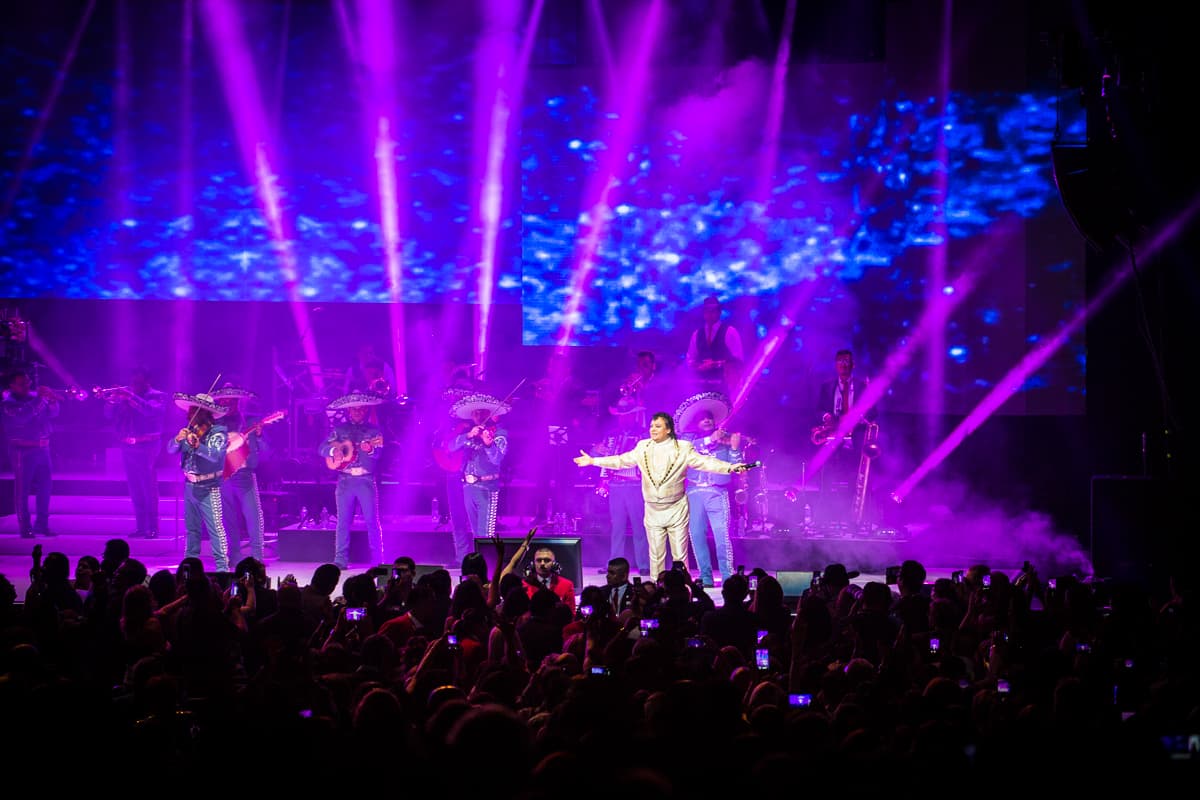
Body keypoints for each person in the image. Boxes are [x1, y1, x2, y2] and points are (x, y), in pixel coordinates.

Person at [573, 411, 753, 581]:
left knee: (679, 556)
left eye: (658, 426)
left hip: (676, 507)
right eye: (652, 425)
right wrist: (592, 461)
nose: (652, 429)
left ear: (668, 429)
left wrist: (730, 467)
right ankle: (655, 587)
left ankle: (683, 587)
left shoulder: (683, 447)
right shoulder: (643, 447)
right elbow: (620, 460)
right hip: (653, 508)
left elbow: (705, 462)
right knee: (656, 554)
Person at [676, 392, 744, 588]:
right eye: (702, 418)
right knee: (696, 535)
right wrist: (710, 439)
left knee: (722, 536)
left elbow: (736, 467)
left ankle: (727, 577)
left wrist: (734, 448)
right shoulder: (688, 442)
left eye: (709, 418)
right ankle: (705, 577)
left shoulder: (725, 439)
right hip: (694, 494)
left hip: (717, 493)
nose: (706, 420)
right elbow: (688, 451)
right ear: (695, 423)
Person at [318, 393, 386, 570]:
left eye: (361, 408)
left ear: (365, 410)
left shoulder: (374, 431)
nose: (357, 412)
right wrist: (334, 452)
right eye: (354, 409)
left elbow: (379, 453)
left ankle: (378, 559)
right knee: (343, 521)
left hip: (366, 479)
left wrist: (370, 449)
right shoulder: (339, 431)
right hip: (345, 480)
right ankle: (340, 559)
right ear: (348, 410)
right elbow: (322, 448)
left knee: (371, 520)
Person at [812, 348, 878, 524]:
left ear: (853, 365)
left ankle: (852, 518)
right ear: (835, 365)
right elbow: (818, 409)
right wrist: (826, 417)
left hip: (855, 438)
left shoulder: (863, 386)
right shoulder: (827, 386)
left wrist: (860, 418)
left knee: (852, 478)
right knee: (827, 476)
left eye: (846, 361)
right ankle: (825, 517)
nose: (843, 364)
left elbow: (874, 412)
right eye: (840, 361)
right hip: (833, 437)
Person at [167, 392, 232, 571]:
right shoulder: (190, 430)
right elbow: (171, 449)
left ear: (204, 413)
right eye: (190, 411)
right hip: (190, 486)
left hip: (209, 487)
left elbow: (217, 457)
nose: (189, 415)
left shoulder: (218, 432)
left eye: (194, 411)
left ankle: (222, 568)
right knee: (191, 529)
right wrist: (177, 439)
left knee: (215, 529)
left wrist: (198, 446)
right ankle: (190, 565)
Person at [100, 368, 166, 539]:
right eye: (132, 382)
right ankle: (141, 528)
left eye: (138, 383)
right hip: (128, 447)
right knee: (135, 487)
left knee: (148, 487)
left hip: (148, 446)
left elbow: (150, 411)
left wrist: (130, 397)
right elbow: (108, 415)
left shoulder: (157, 396)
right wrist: (112, 401)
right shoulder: (125, 398)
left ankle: (153, 528)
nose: (133, 386)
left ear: (147, 382)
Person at [590, 394, 650, 576]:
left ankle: (644, 564)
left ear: (634, 415)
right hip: (615, 485)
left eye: (628, 415)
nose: (624, 418)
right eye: (621, 415)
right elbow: (602, 456)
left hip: (635, 485)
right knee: (617, 526)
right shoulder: (612, 434)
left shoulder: (643, 434)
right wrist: (596, 451)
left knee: (639, 526)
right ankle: (615, 564)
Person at [447, 392, 510, 556]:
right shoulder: (470, 432)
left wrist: (488, 444)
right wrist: (468, 435)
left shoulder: (499, 433)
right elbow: (451, 446)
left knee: (486, 534)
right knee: (476, 532)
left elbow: (497, 459)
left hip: (488, 488)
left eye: (482, 412)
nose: (478, 415)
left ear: (489, 413)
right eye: (475, 413)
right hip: (468, 487)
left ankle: (488, 569)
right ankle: (476, 566)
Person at [1, 368, 60, 538]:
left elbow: (53, 414)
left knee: (45, 488)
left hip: (43, 449)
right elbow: (22, 417)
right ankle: (25, 527)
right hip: (22, 450)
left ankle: (42, 525)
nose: (26, 386)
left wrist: (53, 401)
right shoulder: (7, 404)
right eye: (21, 384)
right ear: (12, 386)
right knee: (23, 490)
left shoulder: (35, 399)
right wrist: (41, 399)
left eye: (27, 382)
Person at [212, 385, 267, 564]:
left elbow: (267, 449)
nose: (228, 404)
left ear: (238, 402)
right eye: (224, 401)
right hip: (222, 475)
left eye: (231, 400)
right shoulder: (213, 423)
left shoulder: (249, 422)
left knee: (253, 515)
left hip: (244, 475)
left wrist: (259, 436)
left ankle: (257, 557)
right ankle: (234, 557)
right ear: (219, 402)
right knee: (228, 518)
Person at [685, 296, 745, 394]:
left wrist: (716, 364)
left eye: (714, 310)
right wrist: (698, 365)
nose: (710, 314)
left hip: (724, 387)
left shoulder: (730, 332)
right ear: (703, 313)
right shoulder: (697, 334)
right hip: (701, 387)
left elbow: (738, 361)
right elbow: (690, 359)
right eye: (707, 310)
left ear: (719, 312)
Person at [522, 545, 576, 613]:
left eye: (547, 560)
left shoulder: (567, 585)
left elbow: (571, 613)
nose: (542, 563)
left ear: (554, 564)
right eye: (538, 560)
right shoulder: (524, 585)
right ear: (533, 564)